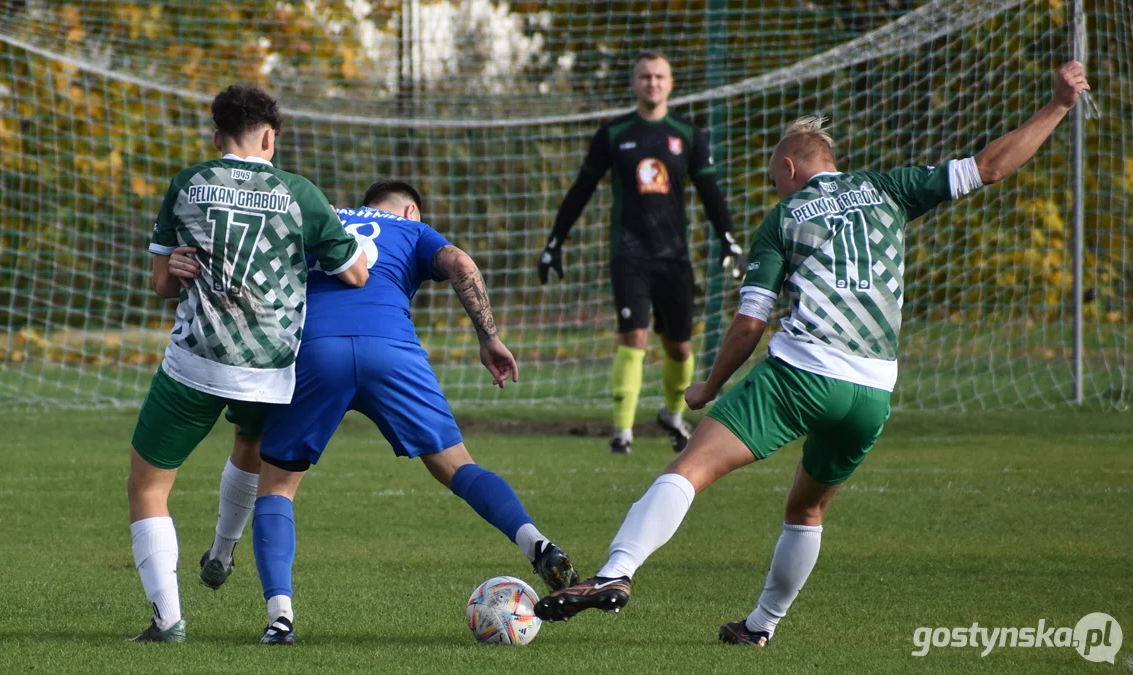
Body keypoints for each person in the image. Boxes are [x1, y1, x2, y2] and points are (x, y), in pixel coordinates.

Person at [534, 63, 1091, 646]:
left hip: (802, 374)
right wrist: (1056, 106)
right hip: (873, 391)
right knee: (806, 511)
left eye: (774, 176)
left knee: (688, 471)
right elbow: (990, 166)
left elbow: (750, 324)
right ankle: (759, 628)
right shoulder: (890, 188)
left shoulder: (783, 218)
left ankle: (616, 571)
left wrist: (708, 387)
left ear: (791, 168)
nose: (774, 185)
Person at [176, 180, 578, 645]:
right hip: (392, 350)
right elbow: (461, 263)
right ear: (411, 211)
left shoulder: (320, 217)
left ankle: (280, 619)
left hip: (316, 352)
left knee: (279, 487)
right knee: (458, 467)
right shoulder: (414, 231)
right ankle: (537, 543)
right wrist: (488, 336)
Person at [126, 85, 368, 643]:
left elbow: (162, 284)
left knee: (148, 486)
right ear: (268, 137)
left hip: (198, 361)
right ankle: (223, 550)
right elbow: (355, 273)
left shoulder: (189, 183)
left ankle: (168, 619)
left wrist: (184, 266)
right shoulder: (300, 194)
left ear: (217, 138)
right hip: (269, 367)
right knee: (249, 449)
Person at [537, 50, 745, 455]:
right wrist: (554, 241)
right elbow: (581, 189)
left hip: (674, 257)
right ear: (634, 83)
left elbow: (710, 193)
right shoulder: (614, 134)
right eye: (645, 76)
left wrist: (729, 240)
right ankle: (622, 431)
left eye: (659, 77)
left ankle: (672, 414)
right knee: (633, 336)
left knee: (679, 347)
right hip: (628, 254)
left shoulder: (687, 135)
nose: (652, 83)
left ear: (670, 83)